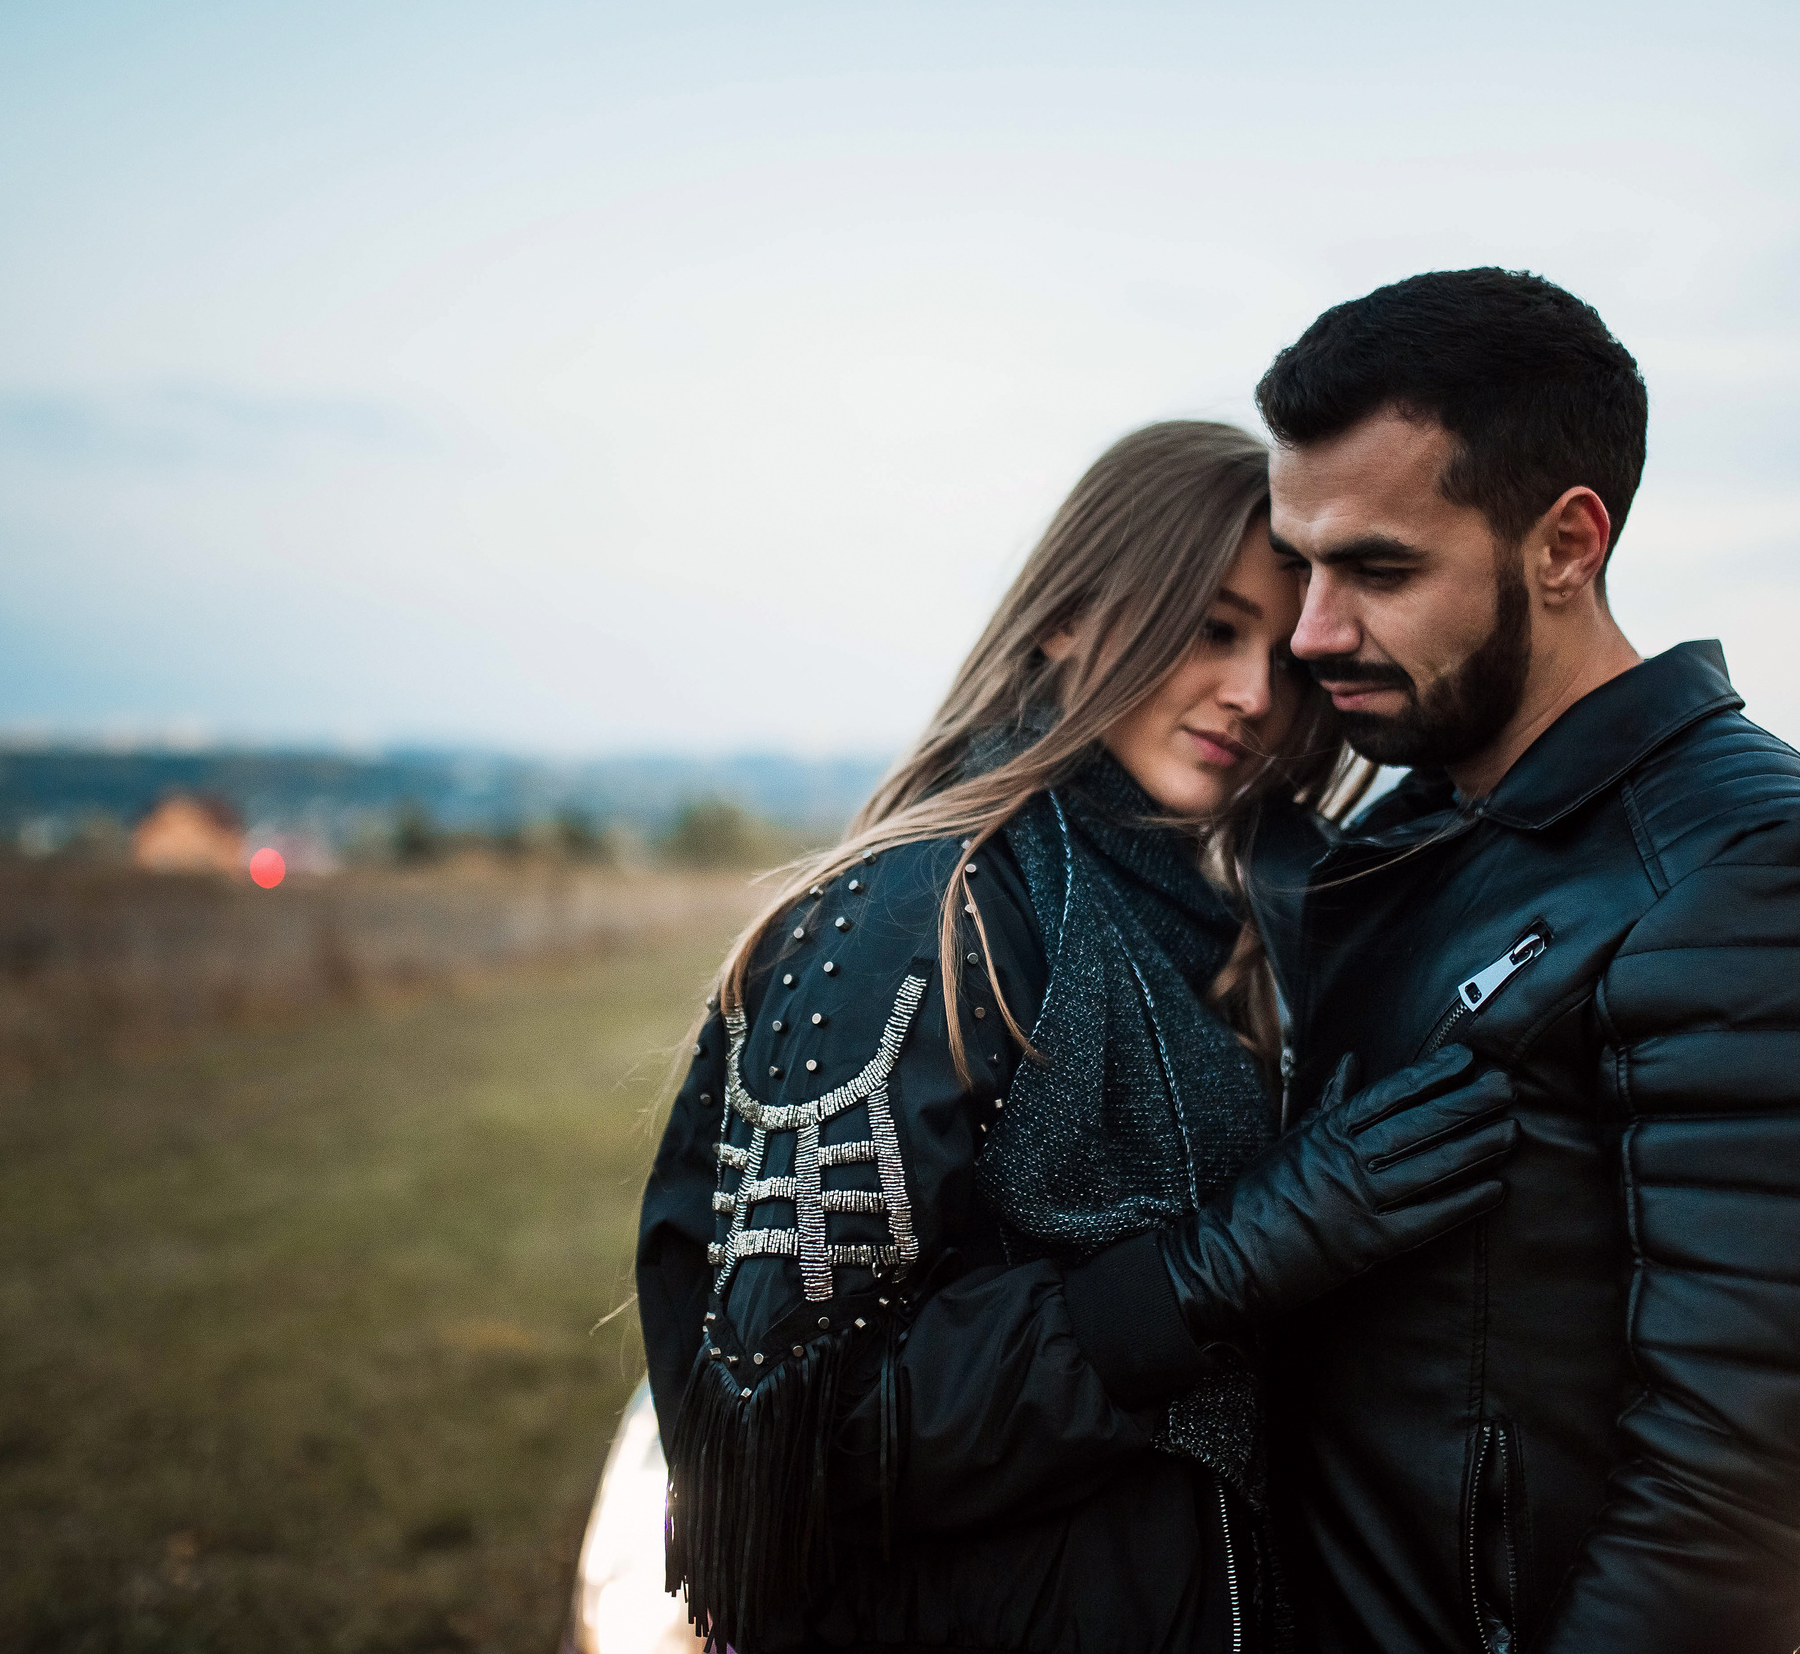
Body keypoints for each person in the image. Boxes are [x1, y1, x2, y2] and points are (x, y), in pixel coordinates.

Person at [636, 420, 1519, 1654]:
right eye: (1209, 630)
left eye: (1279, 653)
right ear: (1064, 616)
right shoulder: (925, 913)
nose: (1254, 696)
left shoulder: (1196, 918)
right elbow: (803, 1437)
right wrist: (1226, 1264)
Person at [1237, 269, 1800, 1653]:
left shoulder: (1768, 877)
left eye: (1380, 567)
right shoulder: (1418, 821)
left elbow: (1735, 1512)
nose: (1314, 628)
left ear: (1568, 542)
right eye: (1303, 563)